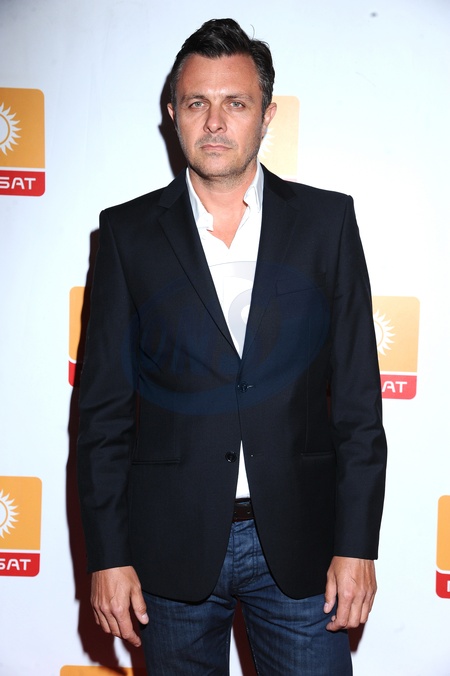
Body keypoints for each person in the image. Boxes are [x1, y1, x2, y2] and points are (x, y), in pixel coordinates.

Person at [77, 17, 387, 675]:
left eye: (236, 103)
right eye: (197, 102)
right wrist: (107, 556)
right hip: (168, 551)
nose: (215, 122)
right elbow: (102, 415)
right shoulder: (127, 236)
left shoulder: (327, 224)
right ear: (173, 114)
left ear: (267, 115)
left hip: (302, 550)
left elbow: (359, 404)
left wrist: (358, 544)